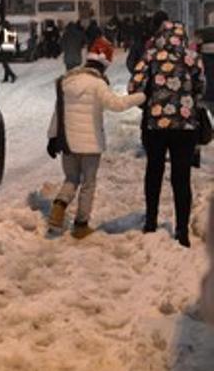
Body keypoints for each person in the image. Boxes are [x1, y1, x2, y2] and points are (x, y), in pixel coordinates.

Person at [47, 37, 145, 238]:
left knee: (71, 179)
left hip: (69, 143)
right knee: (88, 184)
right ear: (104, 64)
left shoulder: (67, 80)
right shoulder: (98, 84)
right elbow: (117, 105)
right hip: (91, 144)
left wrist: (52, 137)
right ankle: (81, 225)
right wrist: (142, 96)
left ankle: (58, 208)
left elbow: (58, 112)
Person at [128, 20, 206, 247]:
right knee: (182, 177)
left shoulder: (150, 56)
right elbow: (201, 87)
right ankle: (182, 231)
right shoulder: (193, 57)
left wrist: (153, 104)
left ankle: (151, 221)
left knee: (154, 170)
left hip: (156, 126)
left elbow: (134, 87)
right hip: (186, 127)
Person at [0, 17, 17, 83]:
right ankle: (6, 77)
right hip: (10, 49)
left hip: (4, 49)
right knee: (5, 63)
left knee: (5, 64)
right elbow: (15, 41)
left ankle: (12, 75)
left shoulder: (3, 31)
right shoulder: (12, 30)